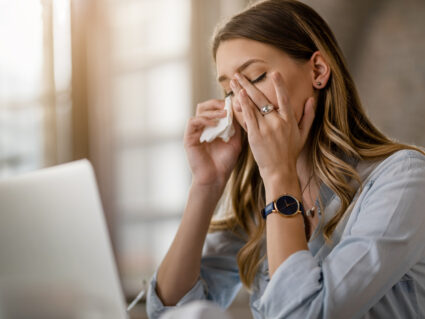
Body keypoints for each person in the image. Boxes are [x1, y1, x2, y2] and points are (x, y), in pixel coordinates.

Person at [146, 0, 425, 318]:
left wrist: (279, 174)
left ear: (318, 71)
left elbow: (304, 314)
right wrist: (206, 184)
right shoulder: (257, 202)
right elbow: (169, 309)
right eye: (230, 91)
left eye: (255, 77)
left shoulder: (404, 180)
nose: (242, 102)